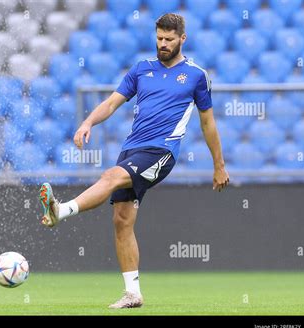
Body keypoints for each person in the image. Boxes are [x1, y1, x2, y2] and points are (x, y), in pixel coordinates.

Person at [39, 13, 229, 309]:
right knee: (122, 221)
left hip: (162, 151)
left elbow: (208, 124)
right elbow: (113, 102)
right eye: (159, 39)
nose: (163, 44)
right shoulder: (142, 69)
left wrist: (219, 165)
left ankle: (60, 211)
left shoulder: (196, 75)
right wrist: (88, 122)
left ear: (182, 39)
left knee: (110, 177)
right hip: (132, 149)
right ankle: (133, 293)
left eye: (169, 39)